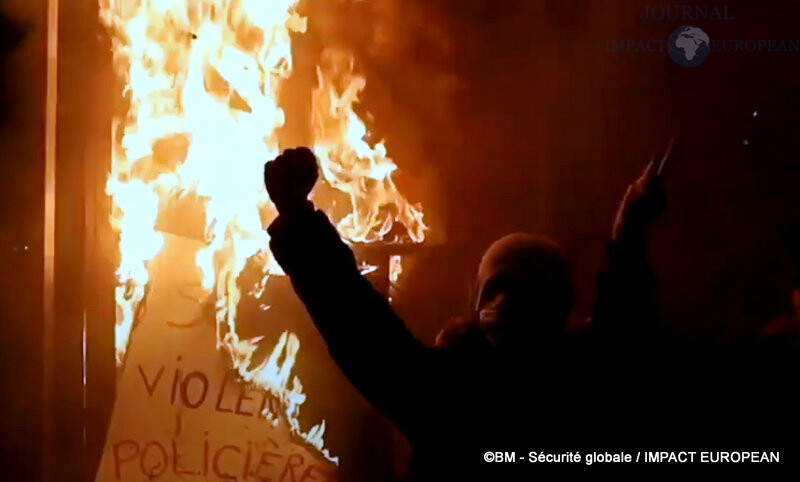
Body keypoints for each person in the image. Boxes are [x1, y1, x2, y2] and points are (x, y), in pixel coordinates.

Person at [264, 147, 670, 478]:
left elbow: (359, 325)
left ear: (477, 299)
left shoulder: (449, 397)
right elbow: (623, 328)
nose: (512, 305)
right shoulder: (589, 382)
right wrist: (629, 226)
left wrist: (298, 218)